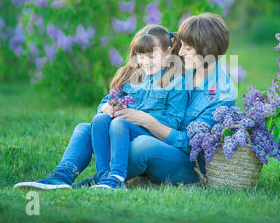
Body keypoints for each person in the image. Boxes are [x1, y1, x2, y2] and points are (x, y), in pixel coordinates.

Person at [13, 24, 188, 190]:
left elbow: (172, 122)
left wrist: (138, 117)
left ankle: (115, 178)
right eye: (140, 56)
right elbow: (106, 101)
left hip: (150, 136)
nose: (145, 62)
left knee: (120, 123)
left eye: (152, 56)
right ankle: (63, 176)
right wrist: (108, 107)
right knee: (92, 123)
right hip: (120, 133)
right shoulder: (132, 75)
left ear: (168, 52)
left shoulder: (176, 81)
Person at [75, 12, 238, 188]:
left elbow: (190, 144)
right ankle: (68, 177)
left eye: (187, 48)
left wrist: (146, 121)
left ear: (207, 49)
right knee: (89, 128)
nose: (181, 52)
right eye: (181, 45)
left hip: (185, 161)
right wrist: (108, 107)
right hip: (149, 137)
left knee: (141, 145)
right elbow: (128, 89)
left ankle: (104, 180)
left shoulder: (222, 93)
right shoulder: (179, 64)